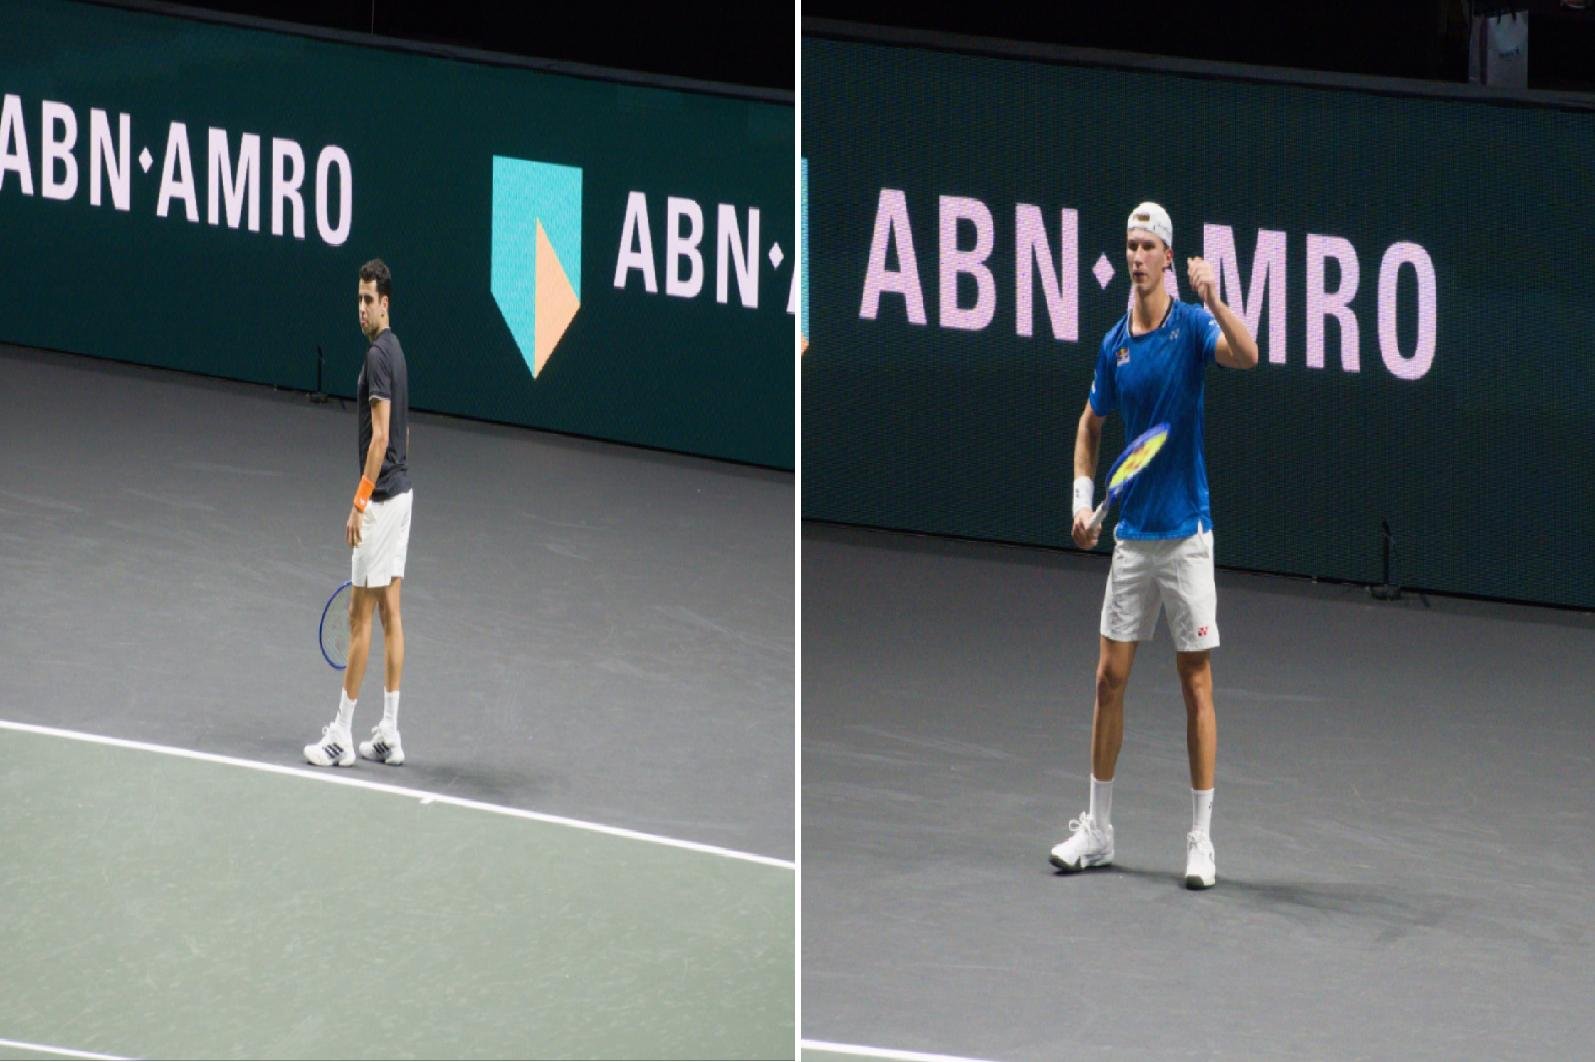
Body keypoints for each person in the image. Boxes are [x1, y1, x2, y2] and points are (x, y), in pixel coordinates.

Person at [1049, 203, 1258, 888]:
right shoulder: (1114, 345)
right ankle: (1098, 830)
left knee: (1194, 684)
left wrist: (1216, 299)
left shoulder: (1194, 326)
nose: (1135, 256)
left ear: (1168, 257)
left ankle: (1200, 840)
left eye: (1147, 246)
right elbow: (1089, 426)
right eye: (1129, 245)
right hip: (1132, 541)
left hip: (1186, 536)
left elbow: (1249, 355)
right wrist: (1083, 503)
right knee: (1107, 680)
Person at [306, 258, 412, 768]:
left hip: (382, 500)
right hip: (404, 493)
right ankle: (389, 731)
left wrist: (359, 500)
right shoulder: (396, 353)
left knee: (360, 616)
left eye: (369, 300)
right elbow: (404, 436)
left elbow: (384, 436)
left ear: (385, 303)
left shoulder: (376, 356)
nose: (362, 308)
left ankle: (342, 736)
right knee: (391, 611)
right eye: (359, 299)